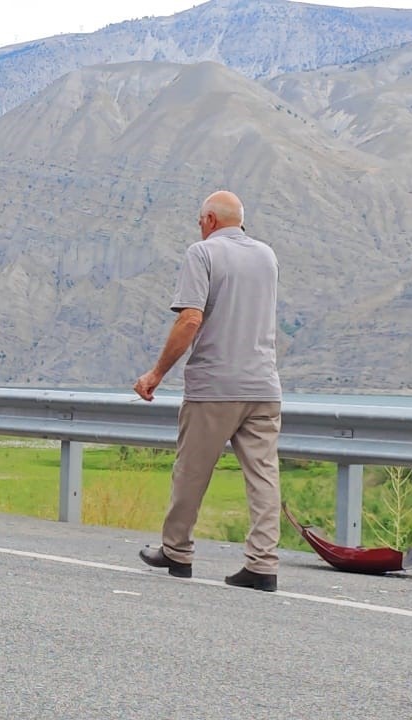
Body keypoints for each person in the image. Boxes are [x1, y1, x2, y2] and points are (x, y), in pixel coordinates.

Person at [132, 190, 282, 592]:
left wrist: (156, 373)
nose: (200, 227)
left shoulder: (202, 253)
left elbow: (190, 320)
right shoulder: (267, 256)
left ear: (210, 221)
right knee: (263, 475)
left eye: (201, 221)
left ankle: (177, 551)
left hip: (215, 385)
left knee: (191, 471)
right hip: (264, 386)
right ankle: (263, 563)